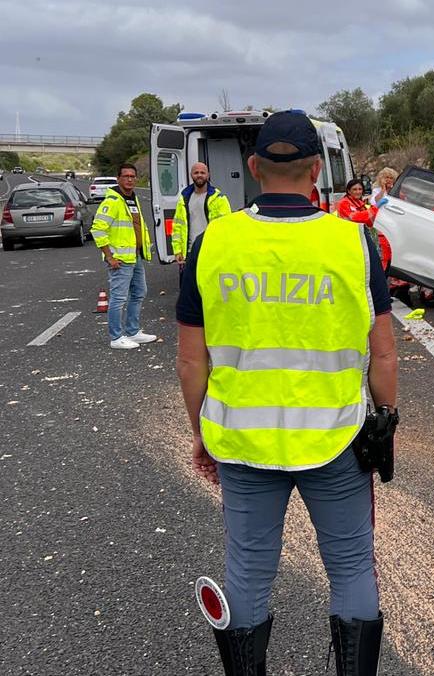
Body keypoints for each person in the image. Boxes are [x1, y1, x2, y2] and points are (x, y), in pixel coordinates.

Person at [175, 111, 397, 675]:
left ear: (254, 167)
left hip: (242, 441)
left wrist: (202, 434)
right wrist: (385, 422)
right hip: (336, 439)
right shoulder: (354, 243)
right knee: (351, 567)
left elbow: (191, 360)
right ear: (317, 169)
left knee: (248, 572)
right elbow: (383, 355)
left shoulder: (213, 241)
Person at [92, 163, 157, 349]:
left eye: (132, 176)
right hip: (120, 260)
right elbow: (97, 229)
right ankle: (116, 337)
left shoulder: (132, 199)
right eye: (126, 176)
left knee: (139, 293)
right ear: (118, 179)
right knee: (118, 299)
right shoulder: (113, 202)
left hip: (135, 257)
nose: (129, 179)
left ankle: (133, 332)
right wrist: (109, 257)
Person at [172, 162, 232, 267]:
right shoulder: (184, 198)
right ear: (191, 175)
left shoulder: (219, 199)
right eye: (196, 172)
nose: (199, 175)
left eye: (202, 173)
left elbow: (226, 228)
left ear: (208, 175)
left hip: (210, 252)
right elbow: (177, 226)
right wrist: (177, 251)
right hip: (189, 252)